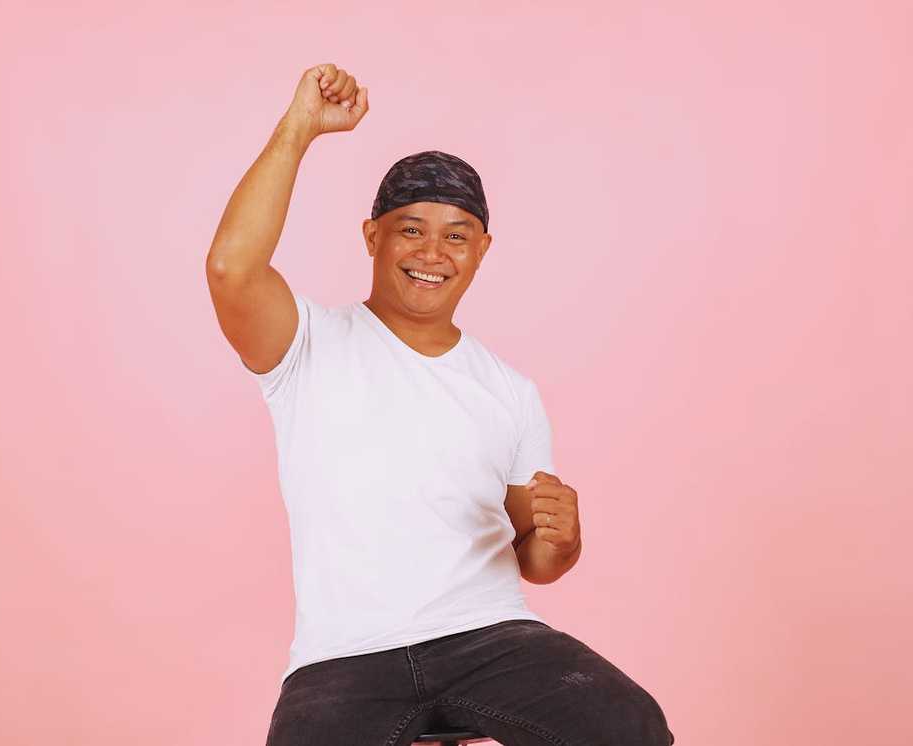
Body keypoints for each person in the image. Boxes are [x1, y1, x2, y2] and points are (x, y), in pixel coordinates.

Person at [205, 62, 675, 746]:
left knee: (630, 726)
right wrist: (300, 128)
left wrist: (563, 538)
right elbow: (230, 269)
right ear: (372, 237)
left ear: (481, 251)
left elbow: (536, 561)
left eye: (456, 234)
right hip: (345, 657)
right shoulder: (308, 345)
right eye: (411, 229)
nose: (433, 252)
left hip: (490, 641)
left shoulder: (509, 389)